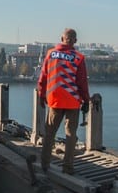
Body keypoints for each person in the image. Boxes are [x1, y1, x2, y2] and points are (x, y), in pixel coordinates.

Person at [37, 28, 90, 175]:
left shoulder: (50, 54)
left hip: (54, 100)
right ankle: (68, 168)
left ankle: (44, 164)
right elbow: (82, 83)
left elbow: (43, 77)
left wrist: (42, 96)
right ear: (75, 41)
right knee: (71, 134)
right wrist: (86, 100)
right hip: (73, 100)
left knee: (49, 133)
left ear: (61, 38)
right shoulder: (79, 58)